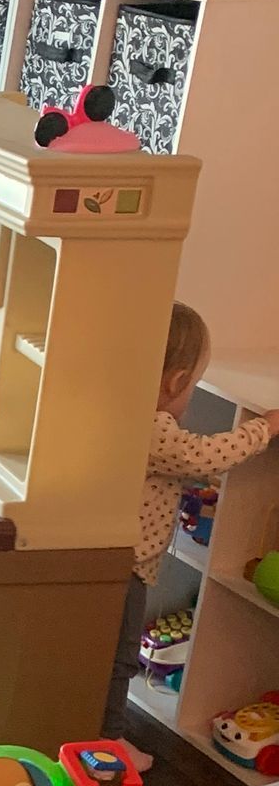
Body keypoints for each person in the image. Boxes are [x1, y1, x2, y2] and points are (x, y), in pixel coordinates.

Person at [106, 301, 279, 744]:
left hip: (120, 558)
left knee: (111, 656)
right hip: (124, 566)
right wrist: (263, 429)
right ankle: (109, 742)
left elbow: (183, 466)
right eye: (192, 388)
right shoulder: (153, 426)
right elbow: (204, 455)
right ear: (176, 382)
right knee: (118, 660)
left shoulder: (117, 408)